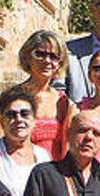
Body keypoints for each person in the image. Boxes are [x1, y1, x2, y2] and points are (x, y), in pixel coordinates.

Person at [19, 30, 75, 161]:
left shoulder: (63, 102)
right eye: (40, 54)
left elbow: (66, 147)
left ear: (59, 63)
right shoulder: (12, 98)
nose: (47, 61)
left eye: (54, 56)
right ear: (27, 56)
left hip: (52, 175)